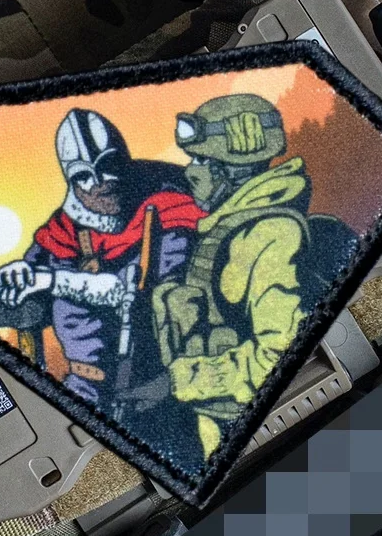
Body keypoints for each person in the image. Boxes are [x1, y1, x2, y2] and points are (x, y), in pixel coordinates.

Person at [123, 94, 358, 460]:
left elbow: (277, 355)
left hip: (232, 427)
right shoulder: (227, 228)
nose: (191, 172)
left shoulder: (266, 236)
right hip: (212, 423)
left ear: (236, 169)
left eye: (203, 161)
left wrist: (173, 382)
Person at [0, 108, 206, 408]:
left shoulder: (168, 205)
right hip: (83, 393)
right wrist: (17, 283)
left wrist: (51, 281)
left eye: (108, 165)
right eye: (83, 175)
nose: (99, 182)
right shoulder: (63, 230)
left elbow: (146, 294)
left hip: (157, 394)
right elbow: (30, 304)